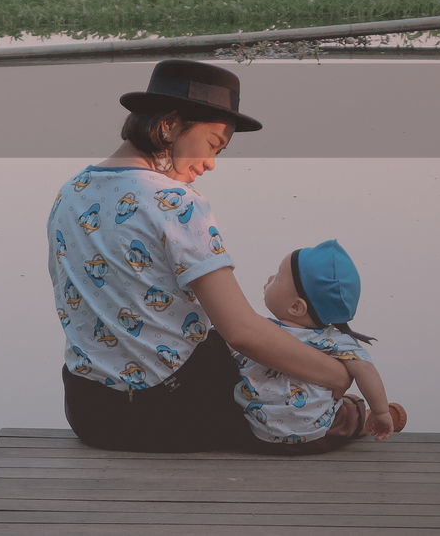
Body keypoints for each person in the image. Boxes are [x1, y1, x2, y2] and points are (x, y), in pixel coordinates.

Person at [48, 59, 353, 453]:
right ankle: (351, 414)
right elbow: (240, 331)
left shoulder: (70, 192)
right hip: (163, 409)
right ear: (169, 125)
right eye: (213, 145)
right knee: (298, 380)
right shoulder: (174, 201)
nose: (210, 164)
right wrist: (336, 374)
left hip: (89, 411)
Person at [233, 239, 406, 451]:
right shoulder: (334, 341)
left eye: (277, 277)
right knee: (347, 412)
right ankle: (371, 418)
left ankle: (368, 417)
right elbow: (365, 370)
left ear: (296, 307)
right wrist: (381, 411)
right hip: (317, 435)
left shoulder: (259, 331)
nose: (269, 278)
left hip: (259, 431)